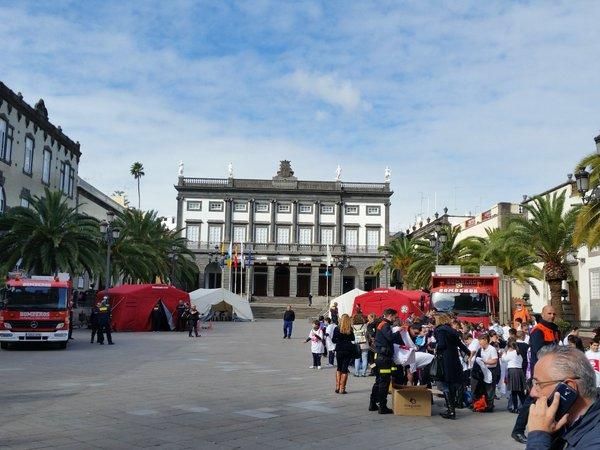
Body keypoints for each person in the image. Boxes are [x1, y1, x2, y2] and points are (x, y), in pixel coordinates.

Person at [526, 345, 600, 449]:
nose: (532, 393)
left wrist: (538, 437)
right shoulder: (568, 423)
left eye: (538, 384)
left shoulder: (595, 442)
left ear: (567, 389)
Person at [511, 305, 560, 444]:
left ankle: (551, 431)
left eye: (554, 313)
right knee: (530, 401)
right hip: (540, 373)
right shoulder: (538, 330)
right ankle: (518, 430)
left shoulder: (554, 329)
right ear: (543, 314)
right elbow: (539, 352)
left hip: (552, 371)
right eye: (549, 313)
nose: (552, 315)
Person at [434, 313, 471, 419]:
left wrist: (435, 347)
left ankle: (451, 410)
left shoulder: (440, 330)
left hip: (445, 360)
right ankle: (453, 406)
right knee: (452, 383)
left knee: (445, 384)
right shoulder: (452, 331)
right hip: (454, 359)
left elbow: (441, 344)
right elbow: (460, 344)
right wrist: (468, 353)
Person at [369, 308, 402, 414]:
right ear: (390, 315)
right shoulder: (385, 325)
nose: (395, 319)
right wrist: (399, 331)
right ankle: (382, 407)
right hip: (384, 358)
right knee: (384, 382)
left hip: (379, 357)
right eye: (394, 317)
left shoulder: (381, 324)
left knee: (379, 381)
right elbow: (390, 337)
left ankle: (373, 403)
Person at [332, 314, 355, 394]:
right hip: (348, 349)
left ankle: (337, 386)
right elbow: (353, 339)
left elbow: (333, 340)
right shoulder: (350, 329)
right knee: (345, 369)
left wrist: (339, 340)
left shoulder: (337, 328)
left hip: (339, 349)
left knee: (339, 367)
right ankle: (342, 388)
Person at [502, 340, 526, 413]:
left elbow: (503, 360)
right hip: (519, 371)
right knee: (520, 391)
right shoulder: (518, 353)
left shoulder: (511, 353)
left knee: (514, 391)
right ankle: (524, 407)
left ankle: (515, 407)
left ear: (509, 347)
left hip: (513, 371)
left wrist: (504, 353)